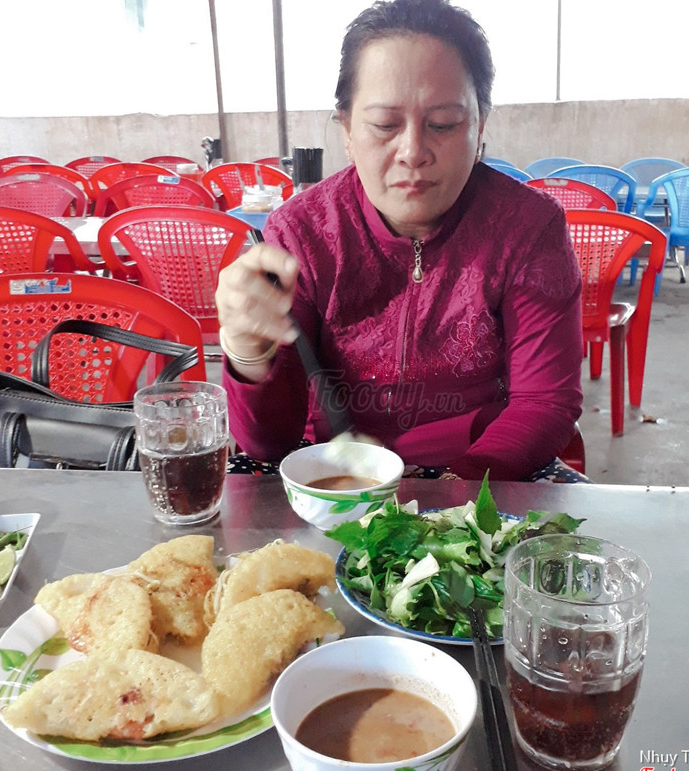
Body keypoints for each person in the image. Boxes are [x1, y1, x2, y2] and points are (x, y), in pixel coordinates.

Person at [215, 0, 584, 482]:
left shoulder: (527, 228)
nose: (413, 152)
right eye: (385, 125)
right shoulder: (300, 233)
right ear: (347, 129)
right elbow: (268, 443)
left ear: (480, 126)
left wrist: (453, 497)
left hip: (483, 467)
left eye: (444, 124)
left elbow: (544, 401)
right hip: (332, 471)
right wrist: (248, 354)